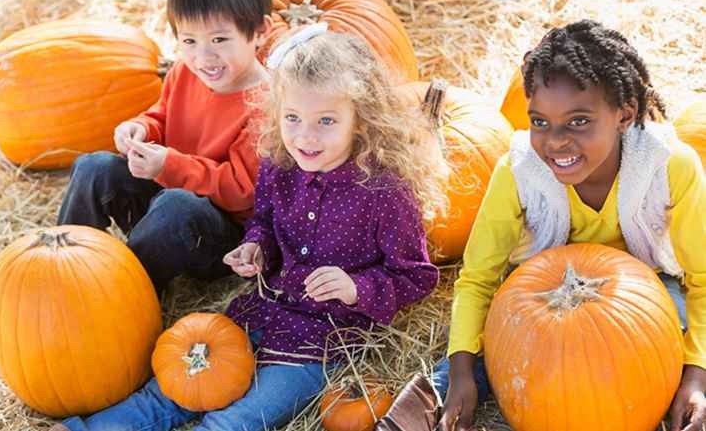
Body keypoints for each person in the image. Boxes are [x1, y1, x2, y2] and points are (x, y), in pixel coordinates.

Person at [49, 25, 449, 431]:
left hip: (322, 343)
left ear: (361, 121)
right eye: (292, 118)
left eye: (326, 121)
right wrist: (255, 247)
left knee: (235, 422)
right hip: (262, 310)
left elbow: (415, 277)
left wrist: (355, 287)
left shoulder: (384, 192)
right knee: (174, 391)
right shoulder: (280, 164)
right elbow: (263, 222)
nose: (305, 136)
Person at [378, 19, 706, 431]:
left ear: (625, 115)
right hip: (546, 289)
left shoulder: (669, 165)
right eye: (540, 122)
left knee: (666, 343)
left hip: (648, 290)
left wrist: (696, 374)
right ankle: (436, 398)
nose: (554, 142)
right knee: (500, 345)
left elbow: (703, 277)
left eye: (579, 122)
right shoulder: (518, 172)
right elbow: (478, 278)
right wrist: (462, 370)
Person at [56, 0, 271, 295]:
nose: (204, 57)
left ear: (259, 32)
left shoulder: (264, 105)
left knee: (177, 205)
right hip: (165, 196)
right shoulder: (185, 71)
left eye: (219, 40)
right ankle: (64, 262)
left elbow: (239, 191)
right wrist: (141, 128)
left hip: (214, 233)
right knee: (94, 166)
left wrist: (169, 164)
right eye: (189, 41)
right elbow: (163, 116)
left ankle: (121, 294)